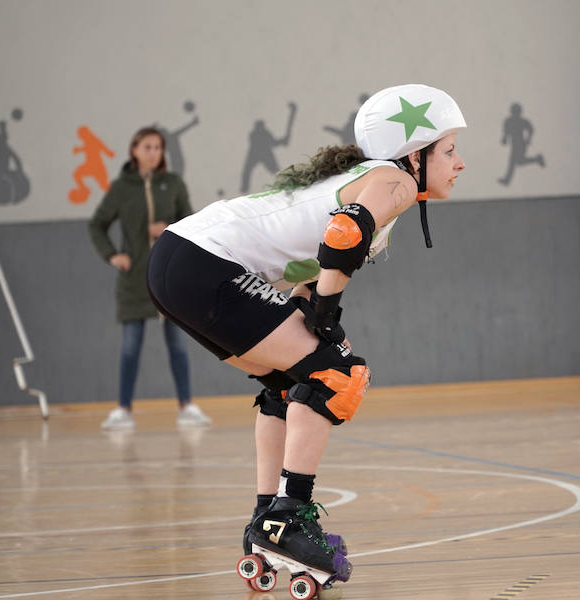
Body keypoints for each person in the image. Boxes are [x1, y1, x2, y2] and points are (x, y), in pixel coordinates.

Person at [146, 84, 466, 582]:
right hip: (204, 263)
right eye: (448, 150)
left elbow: (311, 274)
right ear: (414, 155)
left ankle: (265, 520)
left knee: (292, 378)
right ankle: (288, 515)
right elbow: (344, 235)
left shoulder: (366, 179)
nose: (459, 162)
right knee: (340, 375)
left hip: (178, 260)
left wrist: (320, 319)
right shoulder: (392, 181)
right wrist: (329, 317)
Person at [89, 127, 211, 431]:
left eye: (158, 147)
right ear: (134, 150)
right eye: (147, 147)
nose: (154, 153)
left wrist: (168, 227)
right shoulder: (121, 188)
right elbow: (97, 225)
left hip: (169, 279)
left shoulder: (173, 184)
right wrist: (112, 256)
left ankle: (187, 407)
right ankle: (123, 410)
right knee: (131, 348)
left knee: (178, 347)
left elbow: (192, 222)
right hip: (134, 281)